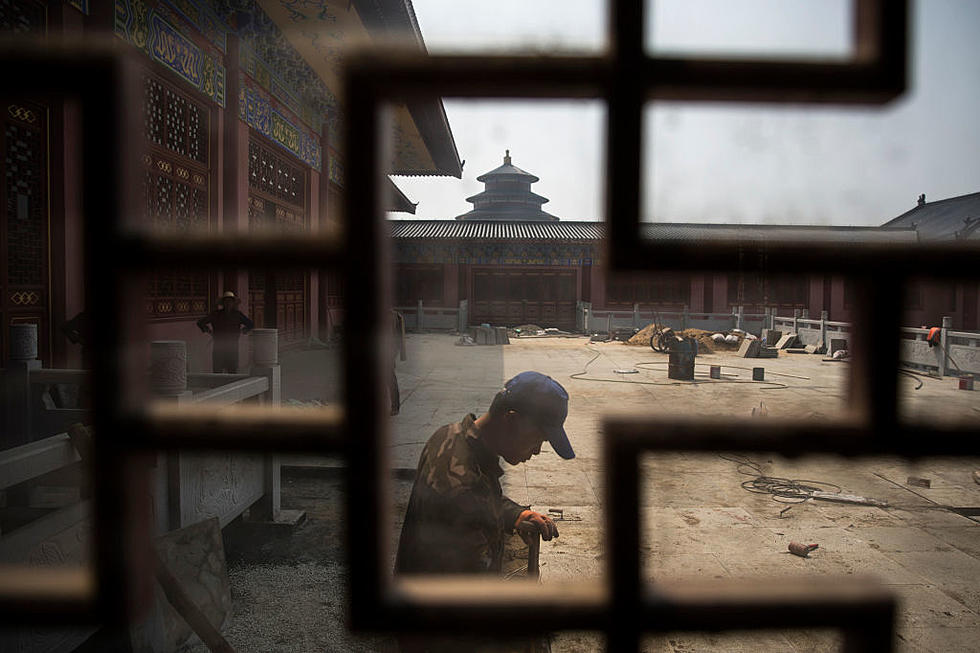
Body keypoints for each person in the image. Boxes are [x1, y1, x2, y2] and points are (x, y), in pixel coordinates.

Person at [395, 371, 573, 652]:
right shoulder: (461, 486)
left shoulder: (450, 436)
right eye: (538, 438)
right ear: (511, 420)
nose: (538, 450)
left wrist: (515, 514)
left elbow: (480, 499)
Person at [196, 291, 254, 373]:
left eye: (230, 301)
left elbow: (250, 324)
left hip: (232, 347)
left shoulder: (237, 314)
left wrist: (243, 331)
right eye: (226, 301)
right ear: (223, 303)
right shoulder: (216, 314)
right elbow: (200, 323)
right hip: (219, 346)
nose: (228, 303)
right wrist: (208, 331)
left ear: (233, 303)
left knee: (232, 370)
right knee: (217, 370)